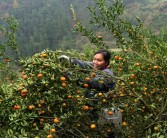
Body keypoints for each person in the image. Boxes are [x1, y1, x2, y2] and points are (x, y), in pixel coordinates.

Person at [59, 49, 119, 138]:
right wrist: (69, 60)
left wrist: (71, 77)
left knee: (107, 133)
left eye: (99, 60)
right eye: (94, 59)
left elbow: (92, 83)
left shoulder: (108, 75)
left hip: (106, 111)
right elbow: (83, 64)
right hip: (94, 109)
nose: (95, 62)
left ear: (106, 63)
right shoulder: (95, 66)